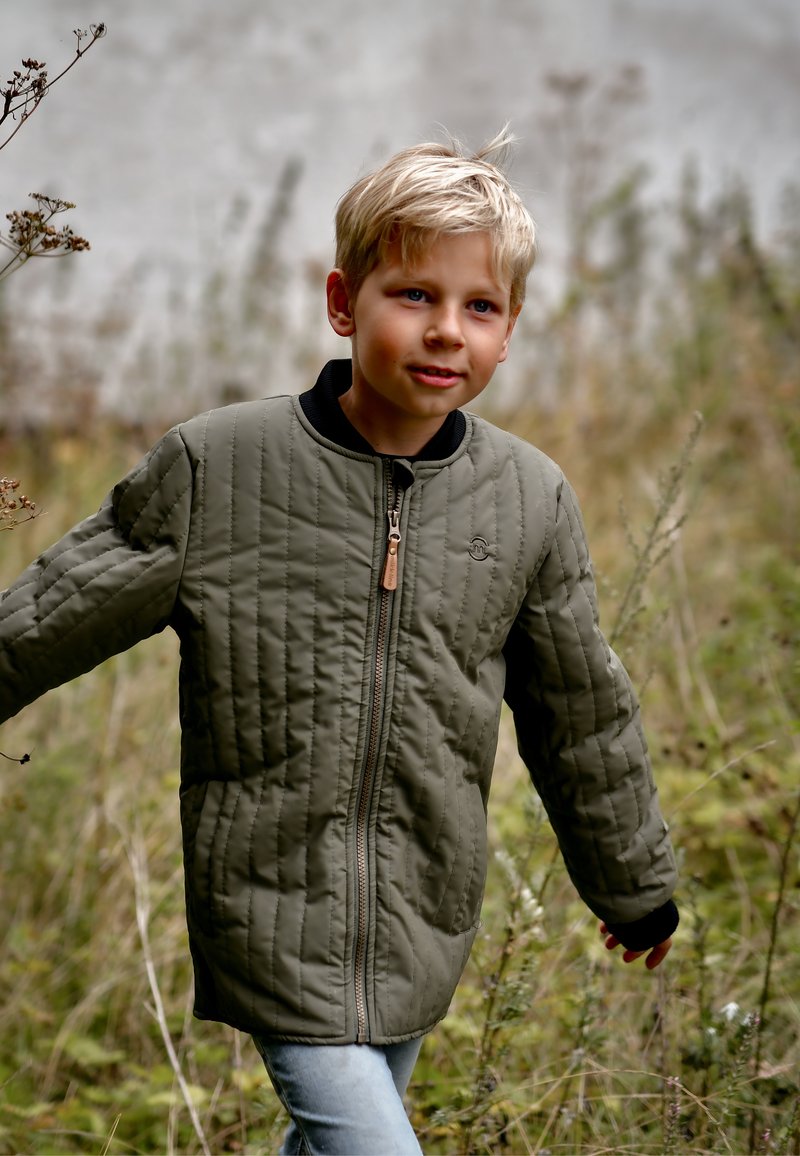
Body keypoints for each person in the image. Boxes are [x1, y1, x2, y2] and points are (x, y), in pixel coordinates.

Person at [0, 127, 678, 1154]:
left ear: (508, 331)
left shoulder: (526, 500)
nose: (446, 330)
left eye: (479, 306)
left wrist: (631, 883)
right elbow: (45, 618)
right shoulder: (219, 470)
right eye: (413, 294)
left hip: (421, 907)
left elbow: (578, 715)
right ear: (341, 302)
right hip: (270, 906)